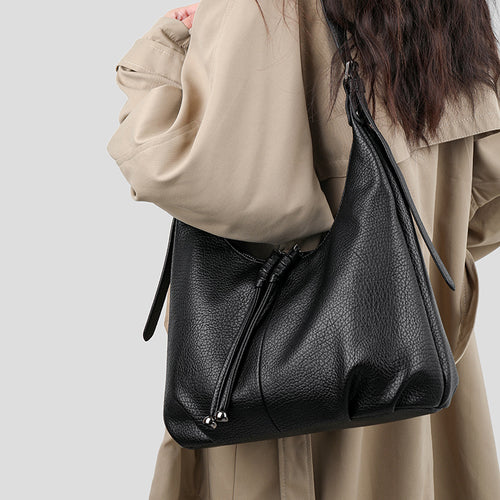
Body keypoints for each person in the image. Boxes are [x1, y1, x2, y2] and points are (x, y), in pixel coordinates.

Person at [106, 0, 500, 497]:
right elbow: (483, 200)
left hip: (288, 396)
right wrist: (398, 271)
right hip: (416, 361)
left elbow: (173, 166)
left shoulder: (264, 9)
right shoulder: (451, 10)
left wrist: (167, 46)